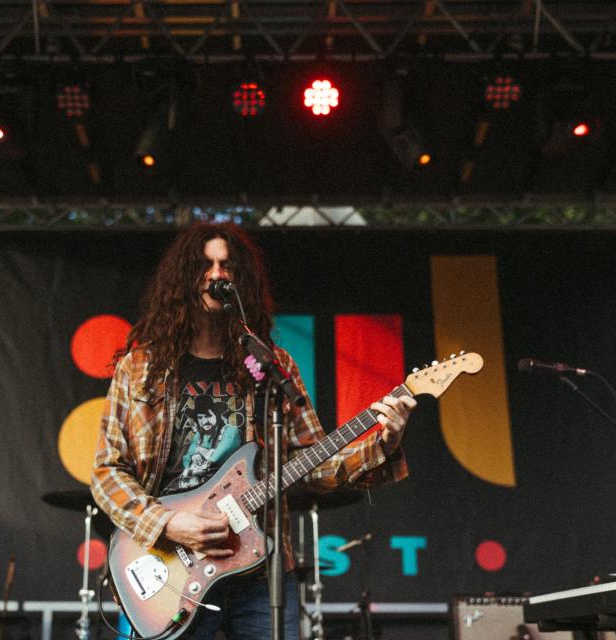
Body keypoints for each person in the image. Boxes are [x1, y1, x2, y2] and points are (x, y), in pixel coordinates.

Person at [90, 222, 416, 640]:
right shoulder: (139, 370)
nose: (215, 274)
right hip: (172, 567)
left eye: (226, 265)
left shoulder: (270, 367)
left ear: (240, 280)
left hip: (261, 573)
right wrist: (167, 525)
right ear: (182, 279)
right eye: (203, 265)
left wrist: (384, 442)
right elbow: (107, 471)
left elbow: (312, 465)